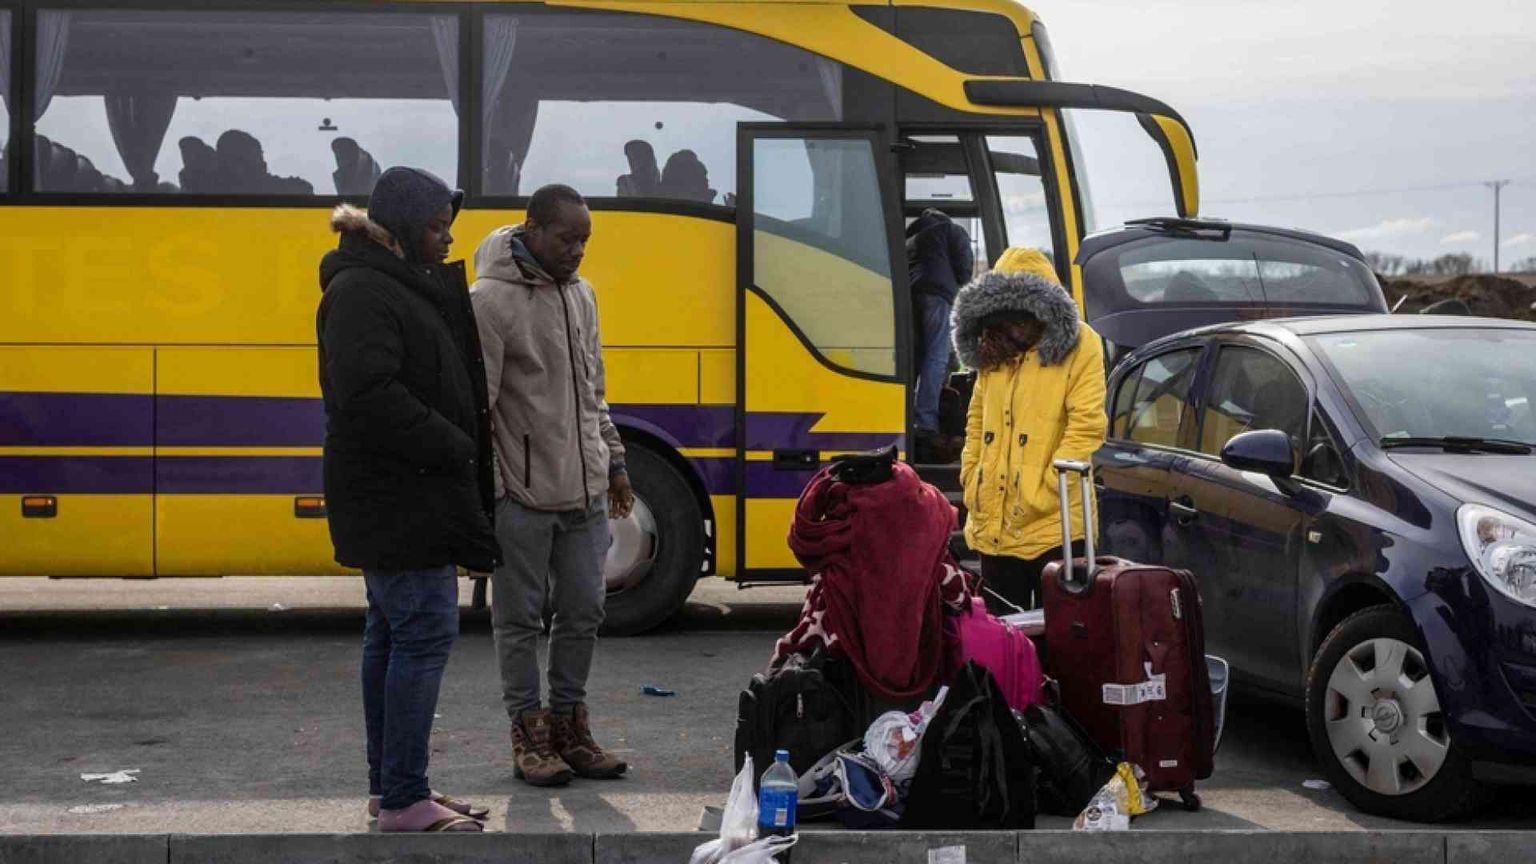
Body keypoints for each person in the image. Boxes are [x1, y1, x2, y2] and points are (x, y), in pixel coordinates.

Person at [317, 167, 500, 833]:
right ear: (397, 228)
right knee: (422, 632)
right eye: (434, 225)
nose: (447, 238)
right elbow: (367, 396)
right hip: (399, 495)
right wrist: (453, 443)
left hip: (401, 493)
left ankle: (394, 788)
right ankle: (402, 799)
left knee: (392, 635)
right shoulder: (365, 290)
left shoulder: (390, 283)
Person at [471, 184, 633, 787]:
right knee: (518, 621)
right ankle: (528, 733)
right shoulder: (489, 301)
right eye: (567, 239)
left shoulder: (583, 295)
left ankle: (570, 727)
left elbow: (595, 392)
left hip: (586, 489)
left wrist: (614, 462)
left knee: (584, 611)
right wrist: (497, 493)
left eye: (586, 240)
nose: (578, 251)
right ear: (532, 229)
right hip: (523, 495)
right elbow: (478, 411)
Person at [953, 247, 1107, 612]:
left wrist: (1047, 487)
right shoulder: (991, 347)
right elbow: (977, 418)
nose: (1015, 322)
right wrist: (971, 472)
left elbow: (1086, 425)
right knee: (1004, 639)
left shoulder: (1081, 344)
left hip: (1058, 524)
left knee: (1067, 638)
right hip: (995, 519)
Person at [906, 208, 974, 463]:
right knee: (936, 356)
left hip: (911, 297)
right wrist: (965, 292)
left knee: (920, 358)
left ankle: (911, 413)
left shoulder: (911, 238)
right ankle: (926, 420)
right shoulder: (951, 230)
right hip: (938, 295)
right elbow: (964, 265)